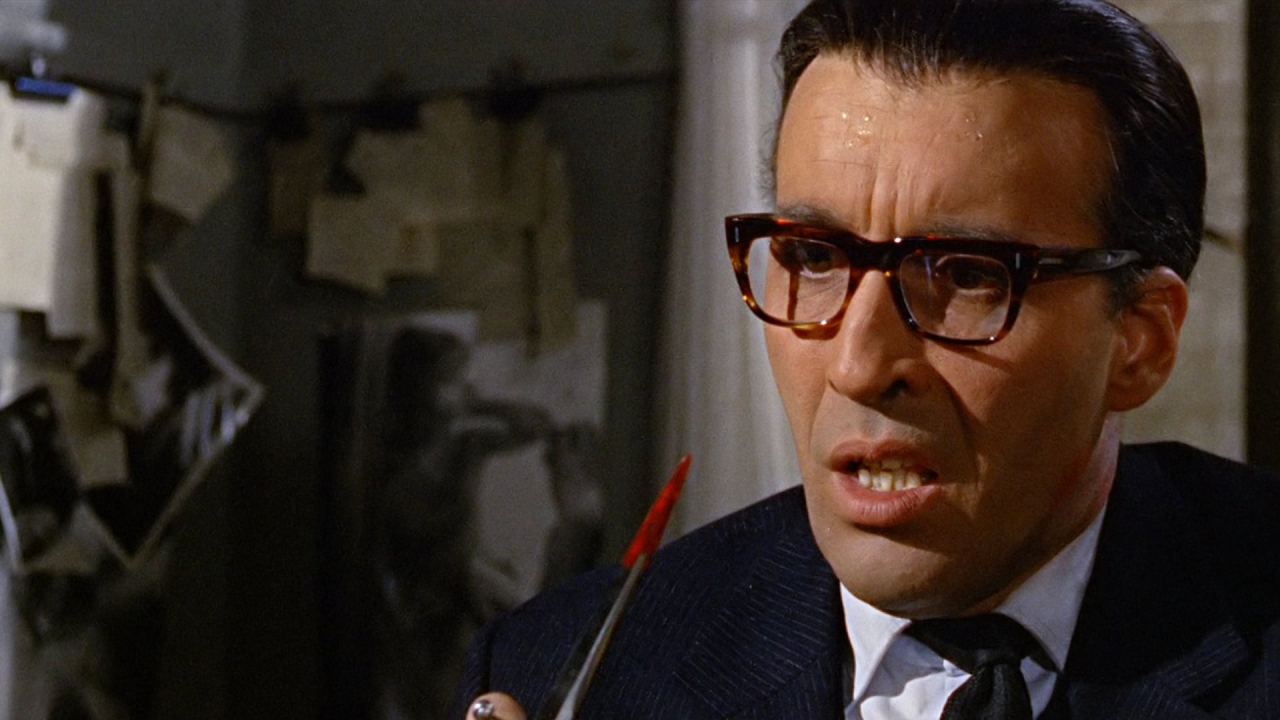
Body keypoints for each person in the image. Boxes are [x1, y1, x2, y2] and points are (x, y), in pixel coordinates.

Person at [452, 0, 1280, 718]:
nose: (857, 365)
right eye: (814, 258)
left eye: (965, 275)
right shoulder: (568, 669)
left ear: (1140, 338)